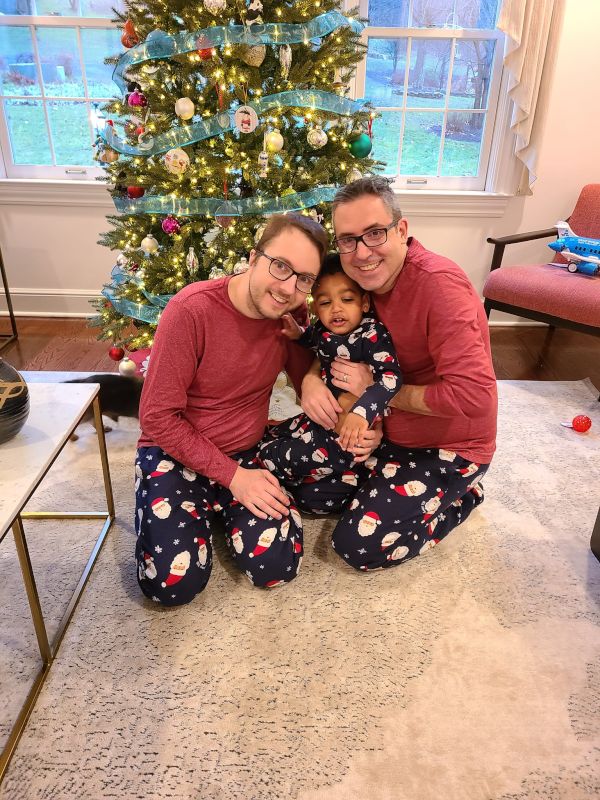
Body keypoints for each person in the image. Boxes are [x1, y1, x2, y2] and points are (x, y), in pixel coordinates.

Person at [297, 176, 498, 570]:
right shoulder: (359, 283)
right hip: (387, 437)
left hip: (449, 447)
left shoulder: (439, 287)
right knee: (309, 494)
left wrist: (376, 391)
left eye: (375, 233)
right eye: (348, 240)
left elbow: (474, 397)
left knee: (359, 546)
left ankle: (464, 496)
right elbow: (333, 338)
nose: (362, 252)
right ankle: (388, 485)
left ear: (402, 230)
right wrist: (309, 377)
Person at [134, 213, 329, 606]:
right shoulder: (190, 309)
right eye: (281, 266)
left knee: (277, 567)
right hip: (174, 453)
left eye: (304, 278)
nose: (288, 287)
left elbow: (304, 370)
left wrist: (309, 377)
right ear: (253, 257)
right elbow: (156, 416)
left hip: (247, 450)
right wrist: (233, 478)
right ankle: (201, 505)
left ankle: (221, 507)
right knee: (171, 587)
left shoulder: (290, 313)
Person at [258, 253, 402, 503]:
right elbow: (313, 340)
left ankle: (281, 476)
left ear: (364, 303)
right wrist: (298, 333)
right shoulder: (324, 330)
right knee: (268, 436)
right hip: (316, 422)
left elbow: (391, 377)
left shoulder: (372, 334)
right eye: (325, 302)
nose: (336, 308)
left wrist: (362, 413)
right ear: (316, 307)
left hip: (346, 438)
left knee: (271, 459)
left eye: (347, 299)